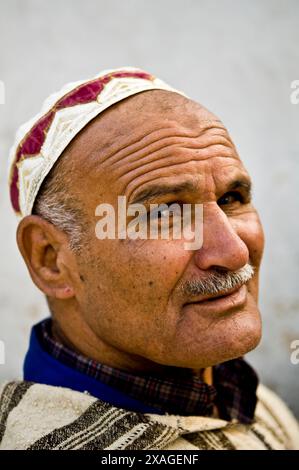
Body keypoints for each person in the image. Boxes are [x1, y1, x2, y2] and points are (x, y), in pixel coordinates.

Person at [1, 67, 298, 450]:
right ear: (51, 259)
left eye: (231, 199)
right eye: (163, 214)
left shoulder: (235, 395)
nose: (235, 251)